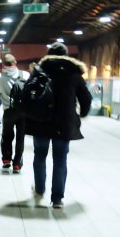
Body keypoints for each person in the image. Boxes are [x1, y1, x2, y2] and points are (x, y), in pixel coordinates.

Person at [25, 43, 92, 209]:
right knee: (60, 160)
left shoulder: (40, 70)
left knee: (39, 155)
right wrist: (82, 112)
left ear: (48, 54)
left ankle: (40, 189)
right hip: (64, 122)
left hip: (41, 120)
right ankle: (57, 199)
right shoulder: (74, 73)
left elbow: (27, 92)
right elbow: (86, 97)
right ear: (66, 54)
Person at [0, 54, 30, 173]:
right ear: (15, 62)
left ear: (3, 64)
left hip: (8, 111)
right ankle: (17, 164)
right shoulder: (25, 75)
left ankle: (6, 160)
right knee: (20, 138)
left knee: (7, 136)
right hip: (23, 111)